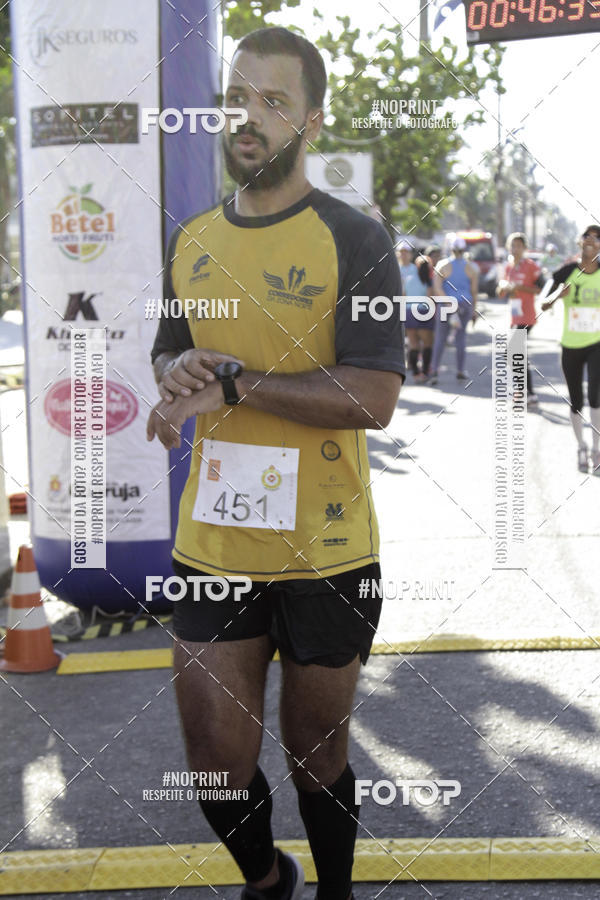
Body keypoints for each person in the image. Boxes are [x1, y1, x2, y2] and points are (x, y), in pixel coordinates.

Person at [146, 26, 405, 900]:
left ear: (312, 124)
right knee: (215, 762)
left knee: (314, 748)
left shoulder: (355, 238)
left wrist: (235, 385)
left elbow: (372, 397)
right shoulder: (190, 239)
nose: (247, 118)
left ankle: (335, 893)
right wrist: (176, 381)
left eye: (273, 101)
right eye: (235, 97)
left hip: (327, 552)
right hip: (215, 543)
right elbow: (172, 353)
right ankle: (267, 878)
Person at [541, 225, 600, 473]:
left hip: (596, 343)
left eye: (597, 238)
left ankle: (597, 449)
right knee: (575, 400)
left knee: (595, 397)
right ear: (579, 242)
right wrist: (557, 296)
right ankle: (581, 447)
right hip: (570, 345)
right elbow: (543, 303)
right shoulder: (566, 271)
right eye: (587, 235)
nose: (591, 240)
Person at [497, 232, 545, 407]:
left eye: (518, 245)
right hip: (515, 315)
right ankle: (527, 393)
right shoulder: (509, 267)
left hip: (527, 316)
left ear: (524, 248)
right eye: (512, 245)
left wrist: (521, 287)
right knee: (516, 352)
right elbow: (500, 291)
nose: (515, 249)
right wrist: (503, 287)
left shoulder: (530, 265)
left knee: (513, 350)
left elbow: (541, 288)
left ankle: (525, 392)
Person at [429, 236, 479, 384]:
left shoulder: (442, 265)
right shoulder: (472, 268)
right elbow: (474, 291)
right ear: (464, 250)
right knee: (461, 338)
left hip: (446, 305)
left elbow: (437, 288)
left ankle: (434, 370)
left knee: (440, 338)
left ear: (450, 249)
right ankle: (460, 370)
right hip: (464, 304)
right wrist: (474, 310)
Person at [397, 240, 433, 382]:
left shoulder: (410, 277)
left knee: (413, 344)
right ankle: (424, 372)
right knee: (427, 343)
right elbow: (430, 297)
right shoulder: (425, 279)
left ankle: (416, 373)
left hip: (408, 311)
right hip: (423, 311)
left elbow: (403, 295)